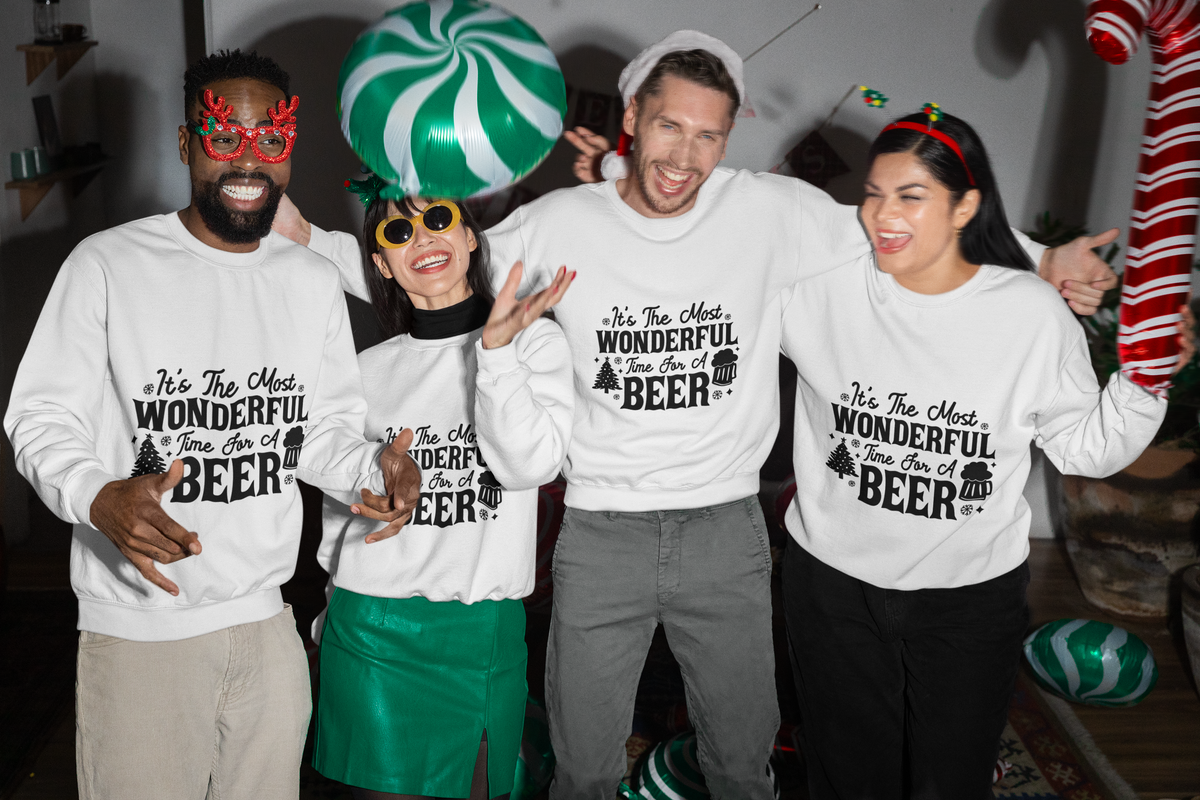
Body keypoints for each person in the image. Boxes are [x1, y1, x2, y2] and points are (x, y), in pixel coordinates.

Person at [278, 31, 1122, 800]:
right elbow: (438, 263)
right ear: (632, 121)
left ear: (729, 137)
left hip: (725, 528)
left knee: (742, 761)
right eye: (670, 127)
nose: (686, 156)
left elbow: (907, 227)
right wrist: (305, 237)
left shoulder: (771, 211)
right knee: (583, 765)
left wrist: (1044, 257)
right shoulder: (563, 221)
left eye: (709, 135)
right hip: (601, 532)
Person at [3, 50, 421, 800]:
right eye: (225, 137)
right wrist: (97, 495)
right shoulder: (108, 264)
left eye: (270, 140)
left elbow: (317, 431)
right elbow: (39, 416)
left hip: (268, 626)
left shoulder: (311, 280)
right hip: (140, 627)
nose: (248, 161)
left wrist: (375, 470)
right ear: (186, 143)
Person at [778, 109, 1190, 798]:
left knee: (952, 780)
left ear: (966, 206)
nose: (883, 215)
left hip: (967, 599)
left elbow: (1086, 449)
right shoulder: (818, 285)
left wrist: (1146, 382)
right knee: (847, 776)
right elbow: (764, 221)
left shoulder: (1030, 314)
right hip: (831, 587)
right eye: (874, 193)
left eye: (911, 196)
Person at [309, 183, 574, 800]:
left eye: (437, 218)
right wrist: (329, 617)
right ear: (381, 265)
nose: (422, 238)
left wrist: (496, 356)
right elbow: (340, 519)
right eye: (397, 232)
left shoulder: (535, 343)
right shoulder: (364, 371)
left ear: (469, 236)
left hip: (482, 633)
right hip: (371, 632)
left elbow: (529, 466)